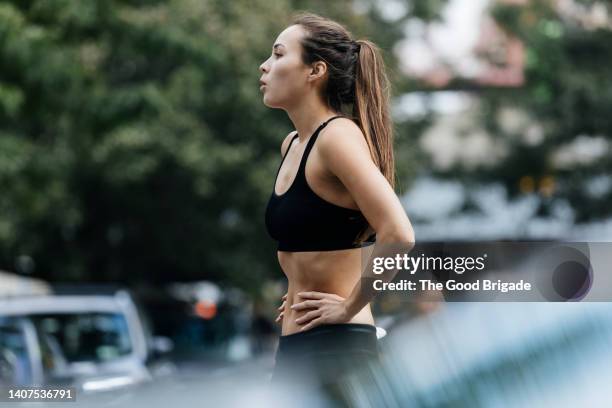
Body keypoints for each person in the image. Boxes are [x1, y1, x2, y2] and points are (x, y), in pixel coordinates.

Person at [259, 11, 415, 400]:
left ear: (316, 71)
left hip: (338, 344)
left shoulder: (336, 137)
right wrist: (299, 286)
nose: (265, 66)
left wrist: (347, 307)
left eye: (279, 54)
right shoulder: (293, 144)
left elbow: (399, 234)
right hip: (295, 345)